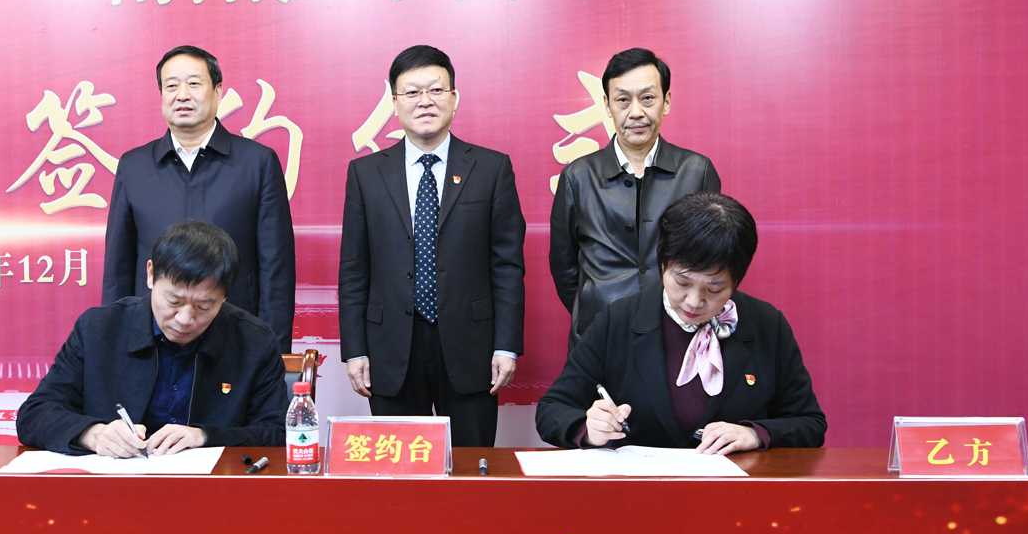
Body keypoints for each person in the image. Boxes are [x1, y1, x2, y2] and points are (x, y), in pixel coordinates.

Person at [536, 192, 825, 453]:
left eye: (714, 289)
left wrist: (756, 434)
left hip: (735, 489)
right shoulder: (619, 321)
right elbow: (552, 410)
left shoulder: (766, 324)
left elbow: (810, 423)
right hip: (641, 486)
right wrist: (589, 429)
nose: (694, 301)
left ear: (736, 280)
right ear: (662, 265)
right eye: (682, 283)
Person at [338, 45, 526, 447]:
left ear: (454, 98)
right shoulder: (366, 174)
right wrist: (354, 350)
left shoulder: (491, 169)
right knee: (400, 466)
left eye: (436, 90)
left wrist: (506, 346)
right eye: (412, 92)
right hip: (390, 347)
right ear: (394, 104)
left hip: (471, 346)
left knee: (472, 465)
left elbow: (507, 266)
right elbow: (354, 269)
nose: (425, 101)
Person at [18, 221, 288, 456]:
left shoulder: (255, 342)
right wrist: (93, 434)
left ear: (225, 296)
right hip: (115, 489)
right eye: (173, 300)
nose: (184, 318)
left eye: (204, 306)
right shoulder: (99, 330)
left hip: (213, 491)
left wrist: (205, 436)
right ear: (150, 274)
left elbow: (278, 432)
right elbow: (34, 414)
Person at [102, 45, 296, 353]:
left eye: (194, 84)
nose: (182, 95)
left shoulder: (257, 163)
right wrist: (114, 342)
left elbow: (277, 268)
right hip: (151, 336)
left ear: (217, 92)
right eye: (171, 86)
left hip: (236, 336)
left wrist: (274, 350)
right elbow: (118, 267)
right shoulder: (133, 166)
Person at [550, 47, 721, 348]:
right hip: (599, 336)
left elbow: (712, 258)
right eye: (623, 100)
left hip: (677, 335)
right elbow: (564, 267)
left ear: (666, 101)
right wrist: (595, 302)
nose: (636, 112)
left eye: (647, 98)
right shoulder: (578, 177)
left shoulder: (697, 172)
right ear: (607, 105)